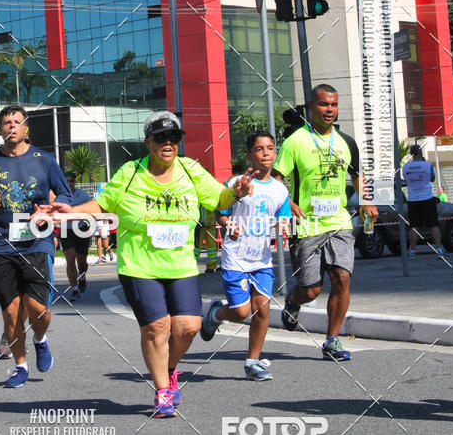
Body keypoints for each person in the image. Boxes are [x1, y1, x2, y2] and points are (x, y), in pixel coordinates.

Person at [48, 111, 256, 418]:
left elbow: (218, 198)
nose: (168, 143)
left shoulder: (191, 170)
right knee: (157, 327)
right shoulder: (131, 172)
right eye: (161, 138)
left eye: (174, 138)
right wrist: (68, 213)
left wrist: (235, 192)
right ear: (148, 142)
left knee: (188, 327)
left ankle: (169, 368)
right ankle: (162, 392)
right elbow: (102, 205)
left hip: (181, 263)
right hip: (139, 264)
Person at [274, 85, 378, 362]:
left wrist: (367, 200)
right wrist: (287, 204)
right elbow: (276, 178)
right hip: (306, 224)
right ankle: (293, 302)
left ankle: (332, 340)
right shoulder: (295, 141)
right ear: (311, 107)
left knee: (342, 278)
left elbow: (357, 175)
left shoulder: (346, 142)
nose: (329, 109)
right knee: (311, 289)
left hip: (339, 221)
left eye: (333, 104)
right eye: (323, 105)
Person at [0, 104, 72, 388]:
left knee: (38, 307)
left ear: (26, 128)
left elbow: (64, 192)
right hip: (2, 243)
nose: (12, 126)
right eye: (6, 122)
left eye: (17, 121)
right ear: (0, 129)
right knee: (12, 311)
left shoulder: (44, 160)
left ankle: (40, 338)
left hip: (37, 240)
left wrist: (50, 209)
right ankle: (20, 365)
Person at [201, 132, 291, 380]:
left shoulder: (280, 190)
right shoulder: (236, 183)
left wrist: (284, 227)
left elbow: (284, 221)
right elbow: (220, 213)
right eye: (259, 149)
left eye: (270, 148)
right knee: (241, 312)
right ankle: (216, 314)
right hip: (236, 258)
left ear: (275, 154)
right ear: (250, 154)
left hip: (261, 259)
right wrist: (230, 225)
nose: (266, 153)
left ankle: (253, 362)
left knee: (262, 310)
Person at [402, 144, 443, 257]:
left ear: (411, 154)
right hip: (427, 197)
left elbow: (406, 180)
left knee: (414, 226)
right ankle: (439, 249)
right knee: (434, 224)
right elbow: (432, 178)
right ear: (420, 152)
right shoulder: (427, 165)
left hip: (413, 199)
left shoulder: (406, 167)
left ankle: (412, 251)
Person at [58, 171, 92, 299]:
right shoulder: (59, 196)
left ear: (75, 183)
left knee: (82, 261)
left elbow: (90, 210)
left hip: (81, 228)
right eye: (66, 181)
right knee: (70, 259)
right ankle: (74, 289)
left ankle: (82, 275)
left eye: (71, 181)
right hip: (66, 229)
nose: (69, 183)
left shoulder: (82, 195)